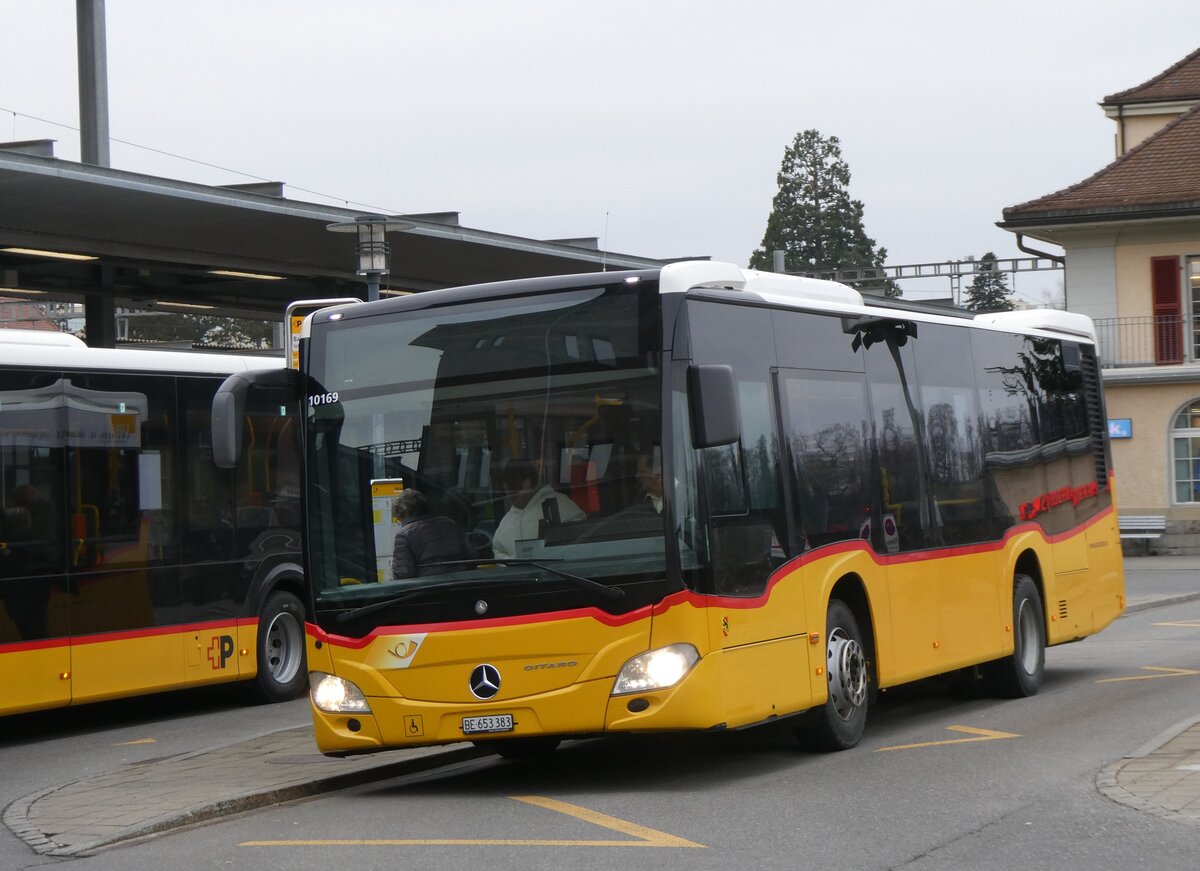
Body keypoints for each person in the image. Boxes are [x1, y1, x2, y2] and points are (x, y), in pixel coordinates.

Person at [492, 460, 585, 559]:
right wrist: (512, 565)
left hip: (556, 571)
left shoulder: (561, 504)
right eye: (506, 490)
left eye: (511, 490)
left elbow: (581, 537)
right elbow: (498, 551)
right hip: (517, 574)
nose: (508, 495)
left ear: (526, 484)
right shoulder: (507, 520)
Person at [391, 489, 473, 579]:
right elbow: (471, 557)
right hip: (460, 583)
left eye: (399, 519)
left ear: (404, 514)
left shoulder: (404, 535)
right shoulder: (450, 523)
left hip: (429, 588)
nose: (400, 523)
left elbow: (403, 573)